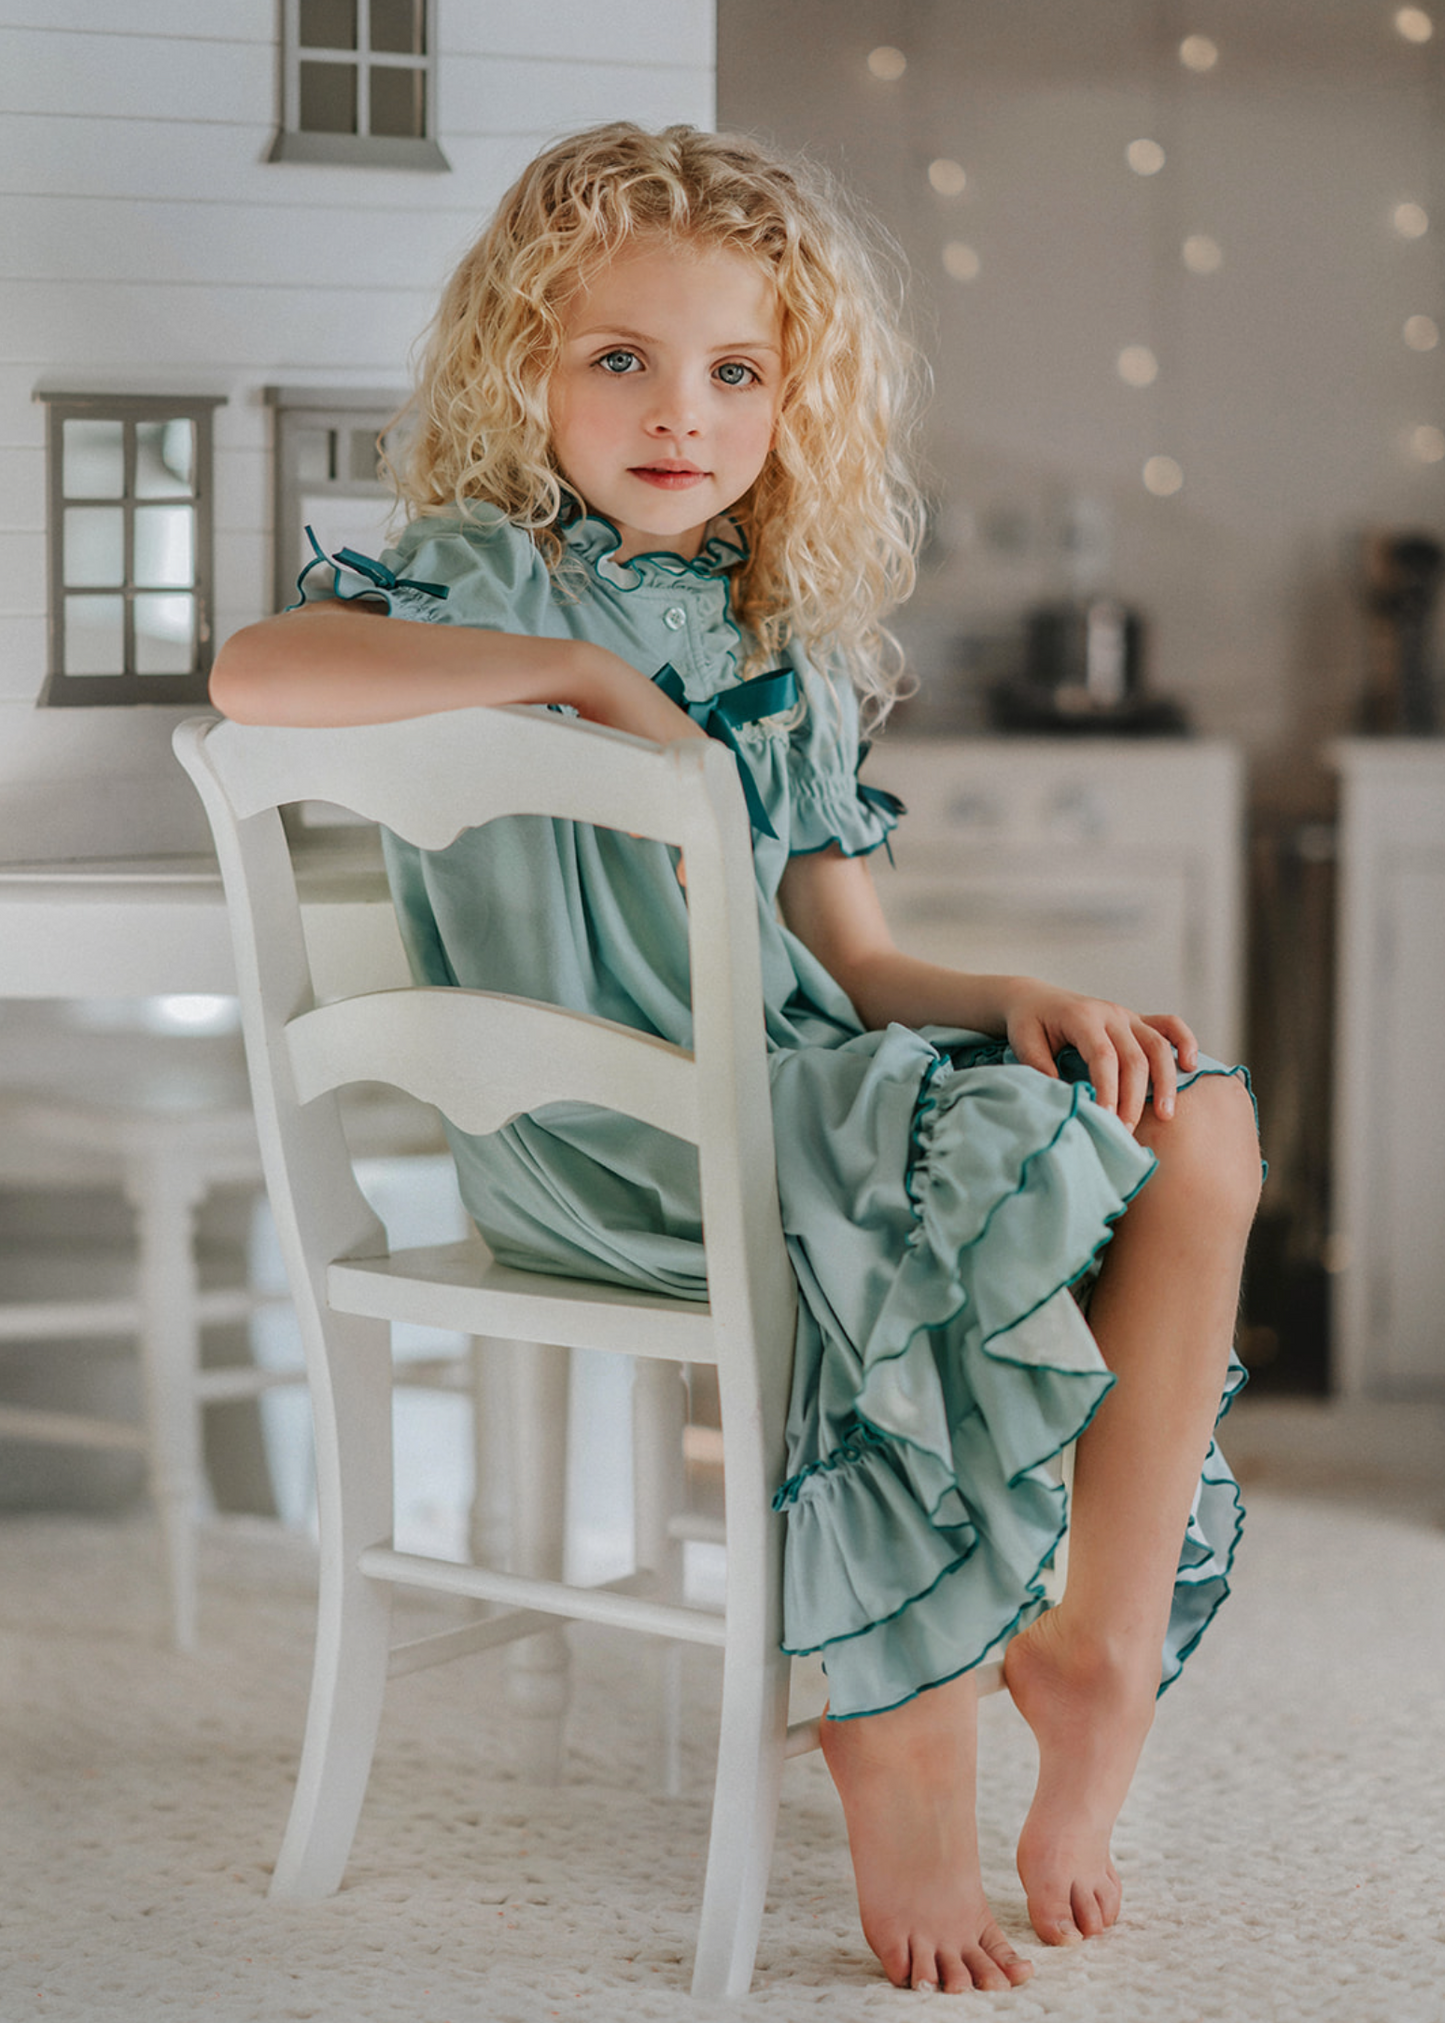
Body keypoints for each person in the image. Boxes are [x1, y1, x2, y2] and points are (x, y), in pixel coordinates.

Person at [210, 121, 1261, 1995]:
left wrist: (1010, 994)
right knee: (942, 1181)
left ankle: (1091, 1648)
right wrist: (588, 681)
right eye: (620, 357)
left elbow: (855, 962)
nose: (677, 412)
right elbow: (252, 677)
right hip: (598, 1133)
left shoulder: (785, 641)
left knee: (1195, 1124)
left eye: (735, 371)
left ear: (793, 400)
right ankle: (898, 1731)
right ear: (525, 369)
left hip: (788, 1095)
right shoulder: (485, 577)